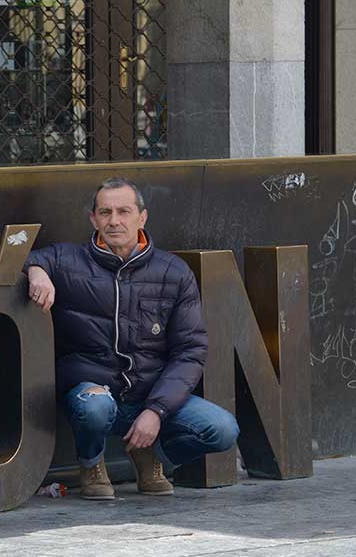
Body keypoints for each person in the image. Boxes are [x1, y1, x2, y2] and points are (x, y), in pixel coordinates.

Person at [23, 177, 239, 500]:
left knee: (223, 429)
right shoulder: (68, 261)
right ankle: (92, 464)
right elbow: (22, 259)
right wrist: (36, 271)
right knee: (94, 406)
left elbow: (190, 351)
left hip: (151, 393)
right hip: (92, 390)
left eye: (124, 211)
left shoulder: (173, 272)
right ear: (93, 219)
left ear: (142, 217)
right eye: (105, 212)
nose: (114, 221)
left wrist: (156, 410)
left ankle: (151, 456)